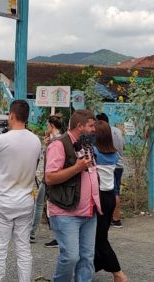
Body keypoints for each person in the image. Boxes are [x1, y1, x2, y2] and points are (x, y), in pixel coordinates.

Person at [0, 100, 41, 282]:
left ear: (11, 115)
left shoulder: (1, 140)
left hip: (3, 202)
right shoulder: (35, 140)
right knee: (23, 248)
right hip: (25, 202)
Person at [45, 109, 101, 282]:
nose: (94, 129)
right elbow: (49, 177)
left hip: (89, 211)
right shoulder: (59, 144)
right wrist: (77, 168)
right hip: (66, 211)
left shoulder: (87, 144)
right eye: (91, 126)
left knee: (86, 258)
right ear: (80, 126)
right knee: (70, 257)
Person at [91, 120, 129, 282]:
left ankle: (118, 274)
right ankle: (91, 267)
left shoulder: (94, 153)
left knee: (100, 239)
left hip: (98, 197)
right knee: (98, 235)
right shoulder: (113, 154)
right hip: (110, 197)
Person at [31, 114, 64, 245]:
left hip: (50, 178)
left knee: (40, 204)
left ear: (51, 126)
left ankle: (32, 233)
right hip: (54, 177)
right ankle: (57, 235)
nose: (46, 127)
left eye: (47, 125)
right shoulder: (61, 139)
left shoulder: (56, 142)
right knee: (51, 205)